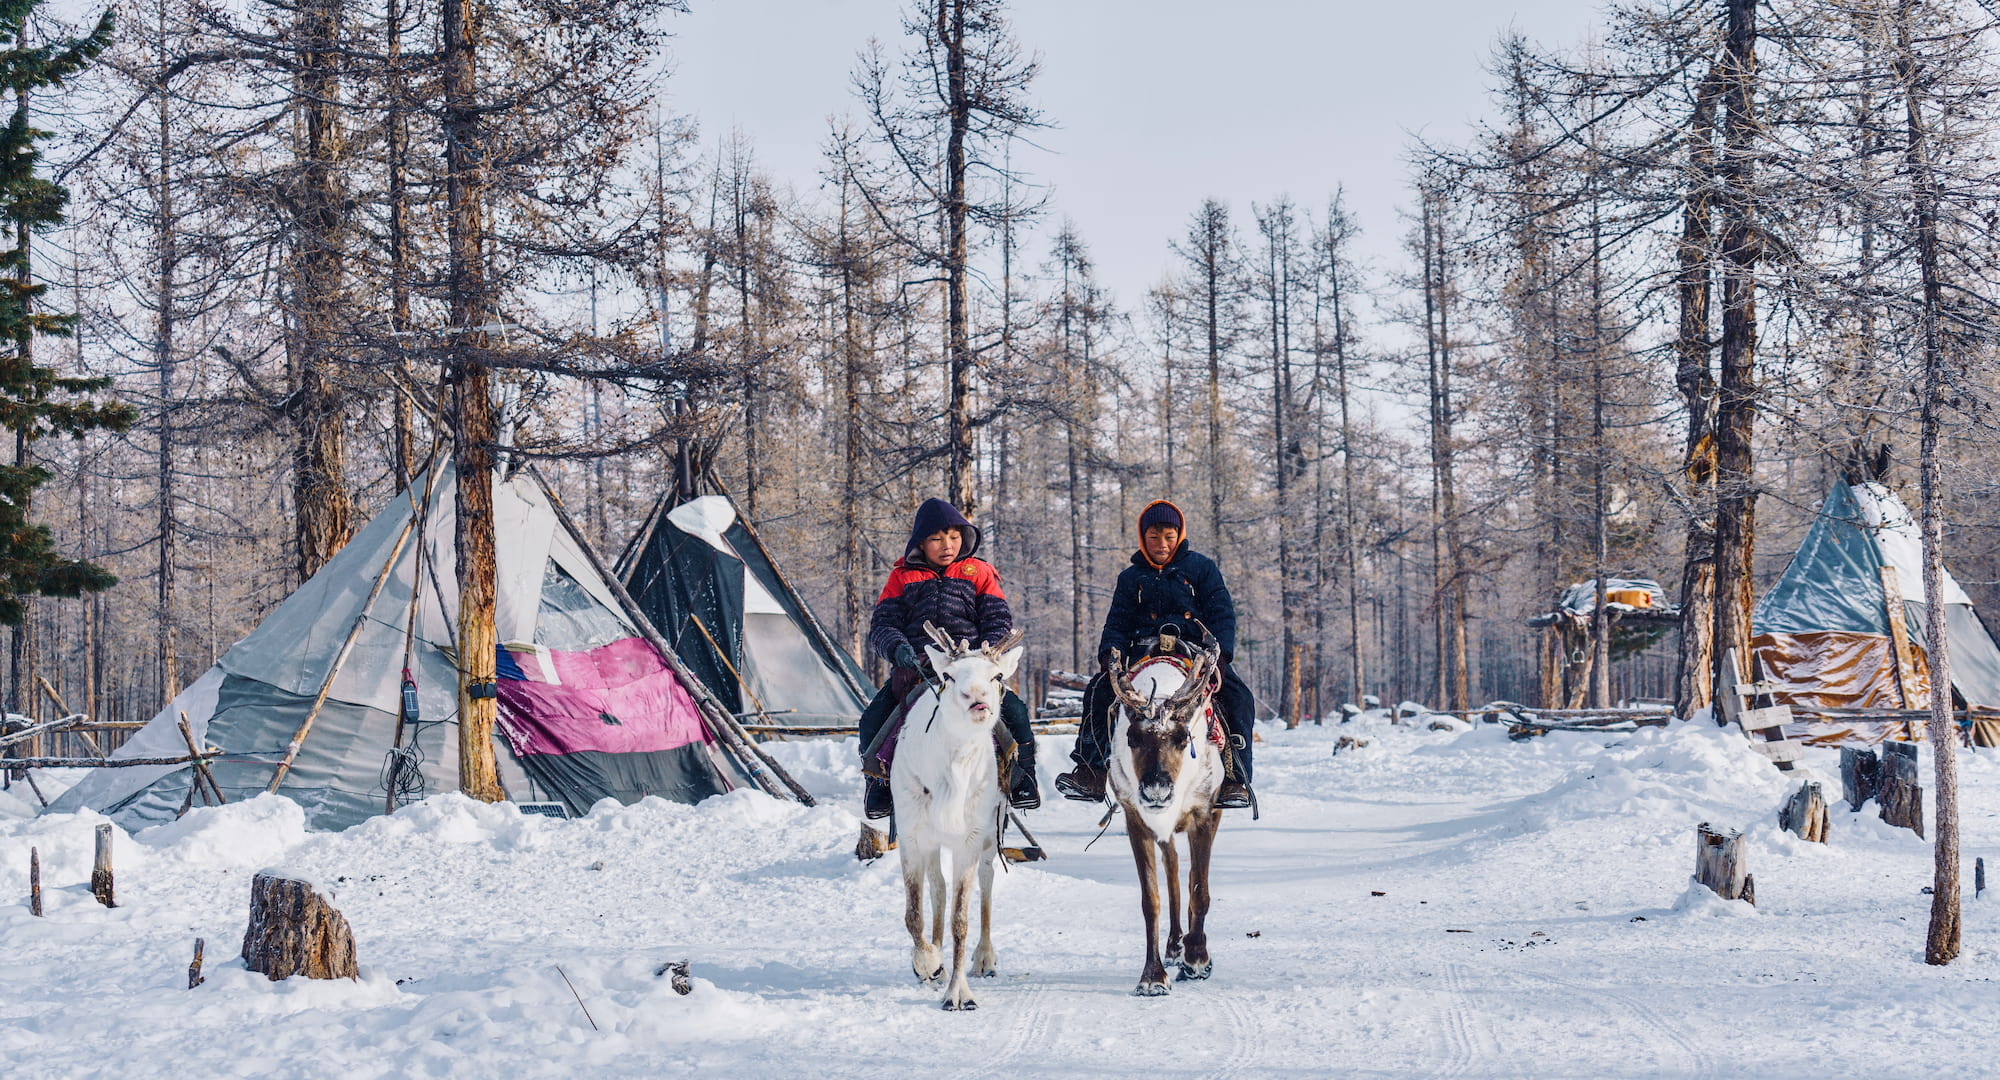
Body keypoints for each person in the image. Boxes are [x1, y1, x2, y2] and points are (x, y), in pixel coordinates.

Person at [1055, 500, 1255, 809]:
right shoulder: (1130, 577)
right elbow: (1118, 621)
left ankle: (1234, 778)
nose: (1161, 544)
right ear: (1142, 537)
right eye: (1153, 536)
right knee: (1098, 690)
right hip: (1141, 654)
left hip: (1194, 655)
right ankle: (1091, 770)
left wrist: (1221, 656)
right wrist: (1111, 654)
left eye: (1168, 536)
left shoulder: (1202, 569)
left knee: (1239, 697)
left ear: (1180, 535)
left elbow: (1222, 614)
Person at [857, 497, 1039, 818]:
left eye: (954, 537)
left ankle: (1023, 778)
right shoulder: (901, 576)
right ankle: (879, 784)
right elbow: (883, 625)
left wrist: (987, 654)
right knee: (873, 720)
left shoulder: (979, 572)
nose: (947, 546)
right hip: (919, 667)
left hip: (972, 667)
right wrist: (899, 650)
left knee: (1017, 713)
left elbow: (998, 619)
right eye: (937, 539)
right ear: (921, 543)